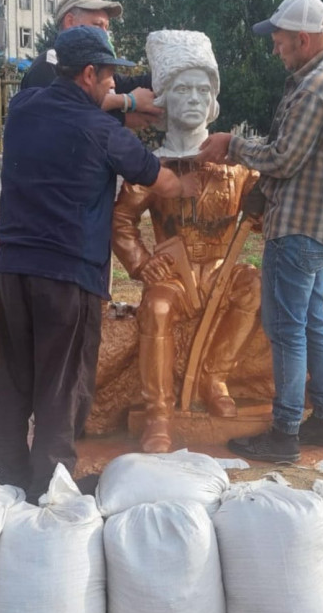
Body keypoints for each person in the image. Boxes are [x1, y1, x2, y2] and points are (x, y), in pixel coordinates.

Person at [0, 26, 198, 503]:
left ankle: (9, 471)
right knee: (61, 379)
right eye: (109, 78)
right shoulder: (103, 133)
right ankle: (51, 482)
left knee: (15, 371)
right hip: (67, 274)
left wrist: (125, 109)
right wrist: (186, 184)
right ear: (89, 73)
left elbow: (67, 106)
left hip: (13, 266)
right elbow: (158, 180)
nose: (114, 88)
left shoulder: (22, 109)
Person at [197, 0, 323, 462]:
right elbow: (301, 153)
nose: (275, 49)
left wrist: (232, 144)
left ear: (304, 38)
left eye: (280, 41)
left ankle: (285, 432)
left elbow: (284, 157)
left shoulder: (315, 88)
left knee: (287, 329)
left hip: (300, 228)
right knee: (311, 321)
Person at [112, 30, 261, 454]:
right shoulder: (151, 166)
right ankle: (158, 413)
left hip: (221, 269)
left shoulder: (235, 163)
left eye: (203, 89)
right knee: (156, 307)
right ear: (163, 100)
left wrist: (264, 202)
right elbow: (121, 221)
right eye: (182, 89)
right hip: (175, 276)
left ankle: (215, 375)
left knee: (253, 284)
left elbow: (262, 209)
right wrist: (141, 264)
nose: (194, 98)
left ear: (213, 101)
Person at [20, 0, 161, 130]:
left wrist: (173, 74)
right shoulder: (47, 64)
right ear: (70, 21)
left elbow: (132, 83)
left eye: (106, 27)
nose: (105, 34)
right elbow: (62, 113)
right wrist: (127, 103)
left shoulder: (94, 68)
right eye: (97, 25)